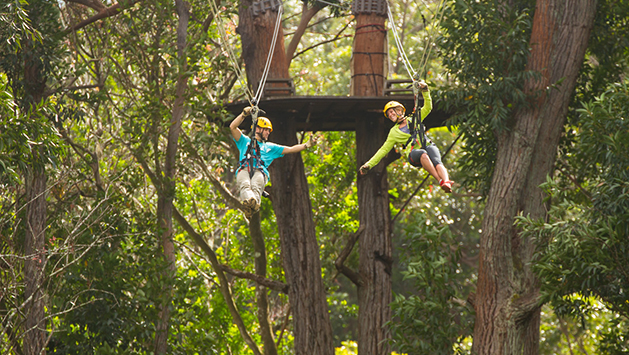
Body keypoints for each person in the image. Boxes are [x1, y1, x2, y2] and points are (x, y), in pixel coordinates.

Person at [359, 80, 454, 193]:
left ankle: (447, 182)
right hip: (414, 152)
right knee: (423, 154)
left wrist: (425, 90)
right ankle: (440, 181)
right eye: (388, 114)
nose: (390, 115)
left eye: (392, 111)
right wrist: (368, 165)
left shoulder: (414, 118)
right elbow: (383, 150)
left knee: (437, 161)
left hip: (427, 144)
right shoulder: (394, 132)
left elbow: (428, 107)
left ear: (399, 111)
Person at [230, 107, 316, 217]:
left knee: (256, 186)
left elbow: (290, 149)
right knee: (245, 185)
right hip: (244, 168)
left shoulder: (270, 147)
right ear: (257, 129)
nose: (268, 133)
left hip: (260, 171)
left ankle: (253, 204)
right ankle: (250, 204)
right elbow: (233, 127)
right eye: (265, 130)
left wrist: (306, 145)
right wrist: (243, 114)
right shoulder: (244, 141)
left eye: (268, 131)